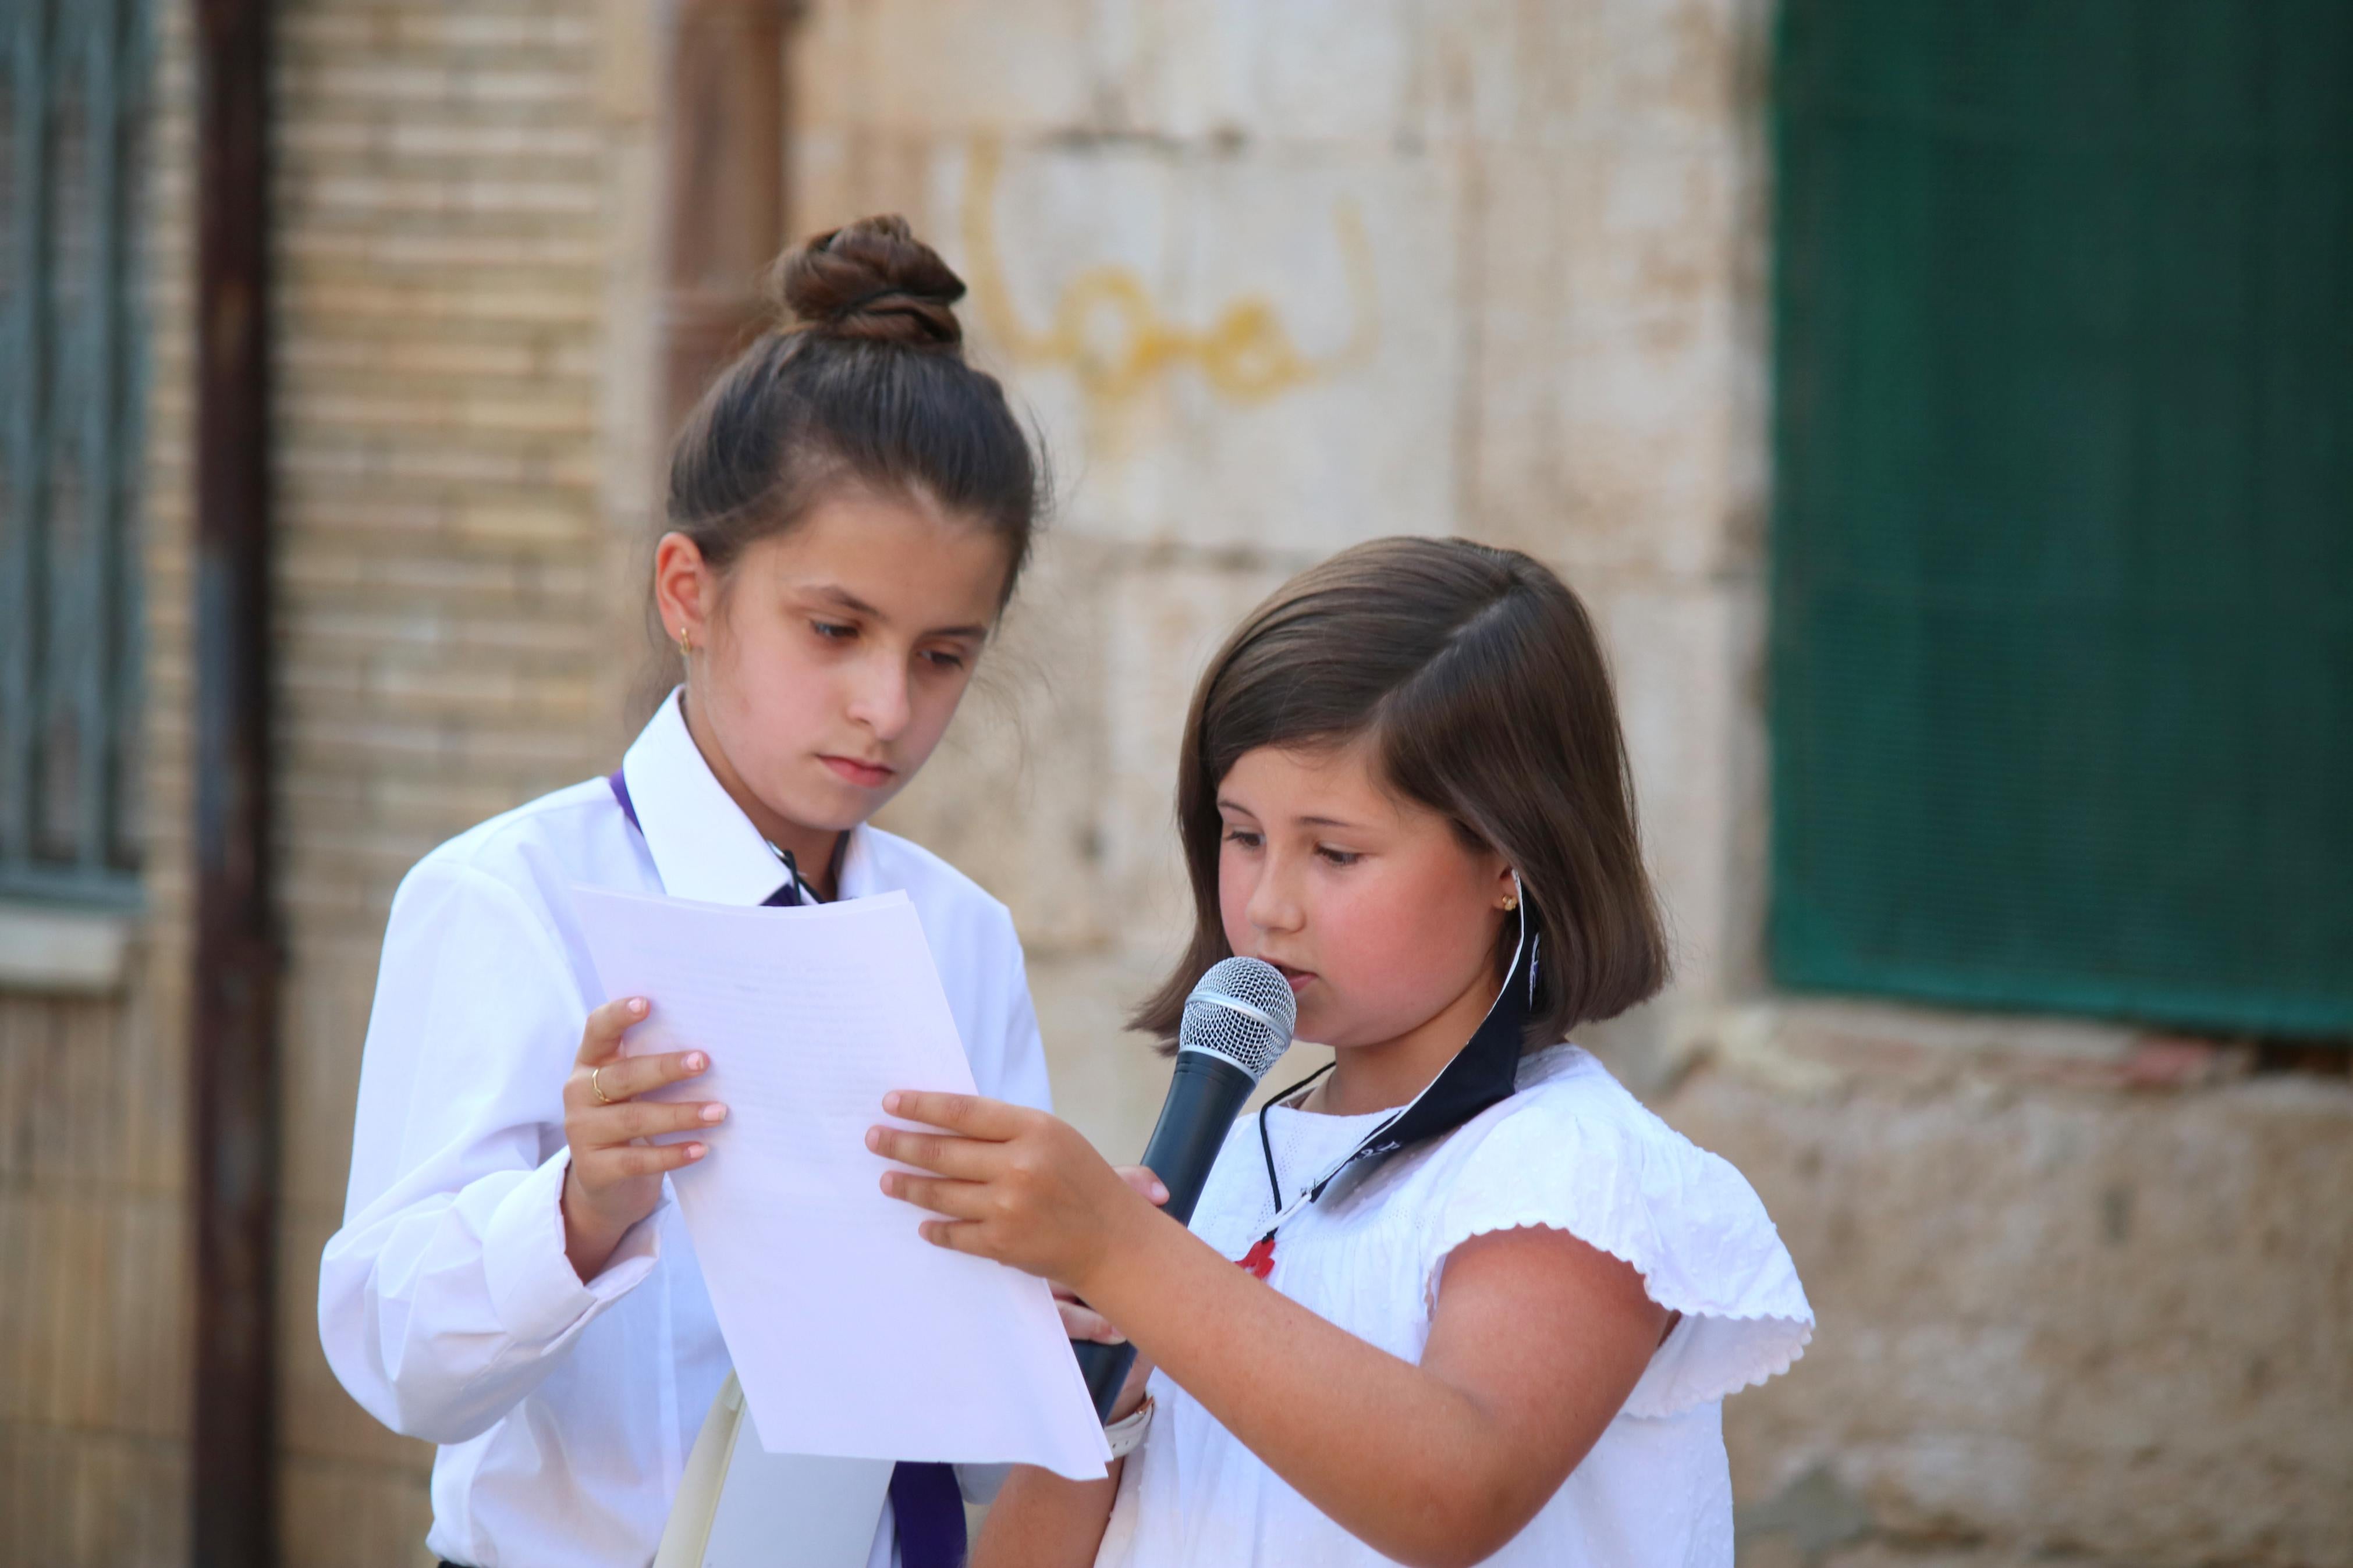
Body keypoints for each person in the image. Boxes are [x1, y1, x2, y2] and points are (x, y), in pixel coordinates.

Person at [320, 215, 1099, 1568]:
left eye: (944, 656)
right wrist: (579, 1209)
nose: (885, 706)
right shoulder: (511, 897)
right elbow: (397, 1358)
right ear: (691, 590)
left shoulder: (957, 936)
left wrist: (1071, 1291)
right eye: (836, 630)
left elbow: (984, 1443)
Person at [870, 536, 1815, 1567]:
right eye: (1242, 837)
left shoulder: (1570, 1170)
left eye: (1335, 852)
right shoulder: (1220, 1181)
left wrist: (1124, 1255)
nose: (1270, 906)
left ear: (1508, 860)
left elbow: (1455, 1494)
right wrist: (1101, 1406)